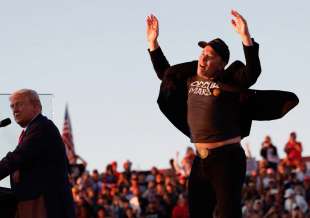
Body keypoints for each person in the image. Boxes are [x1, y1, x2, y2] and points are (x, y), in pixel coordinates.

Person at [146, 10, 299, 218]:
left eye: (210, 56)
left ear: (221, 63)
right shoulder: (190, 77)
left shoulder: (230, 80)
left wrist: (246, 38)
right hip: (201, 160)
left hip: (227, 158)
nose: (203, 57)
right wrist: (153, 43)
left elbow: (251, 73)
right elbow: (166, 75)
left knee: (229, 213)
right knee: (198, 213)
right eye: (202, 53)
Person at [0, 89, 75, 218]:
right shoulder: (33, 129)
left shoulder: (42, 127)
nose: (14, 110)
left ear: (36, 106)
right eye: (12, 106)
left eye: (19, 104)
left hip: (45, 204)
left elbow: (17, 158)